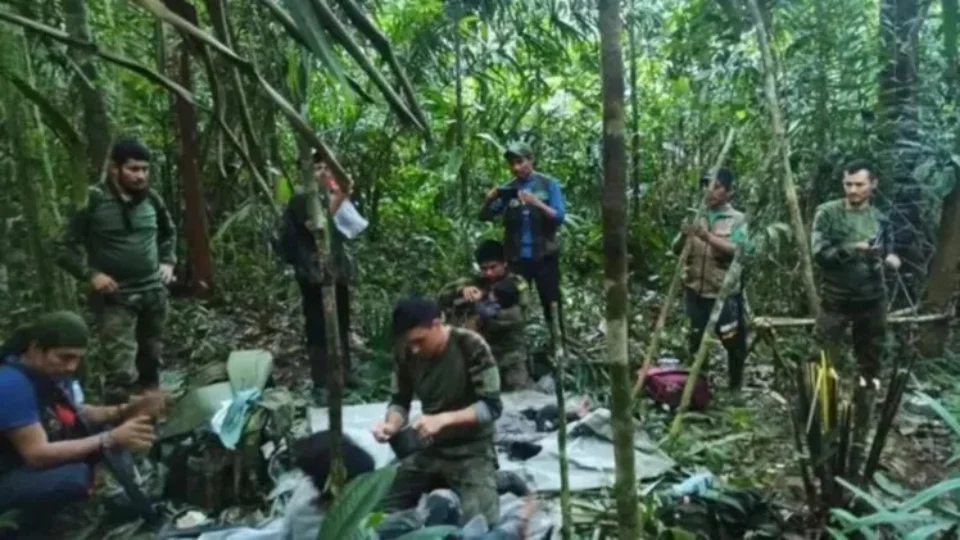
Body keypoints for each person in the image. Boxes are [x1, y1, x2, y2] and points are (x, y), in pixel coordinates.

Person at [0, 311, 165, 530]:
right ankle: (21, 522)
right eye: (65, 357)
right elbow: (36, 454)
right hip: (10, 471)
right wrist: (109, 438)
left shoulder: (51, 373)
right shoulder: (10, 385)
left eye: (77, 358)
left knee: (106, 437)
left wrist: (125, 410)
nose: (71, 366)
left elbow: (74, 413)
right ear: (36, 349)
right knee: (75, 477)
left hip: (29, 457)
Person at [56, 137, 176, 403]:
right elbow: (63, 247)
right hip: (116, 297)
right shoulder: (93, 202)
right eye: (133, 169)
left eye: (145, 169)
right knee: (121, 371)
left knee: (152, 360)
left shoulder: (152, 200)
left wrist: (168, 261)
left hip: (153, 293)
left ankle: (151, 422)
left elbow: (168, 234)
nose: (140, 176)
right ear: (114, 168)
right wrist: (91, 275)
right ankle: (119, 430)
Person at [371, 297, 502, 526]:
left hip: (471, 450)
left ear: (436, 324)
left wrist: (444, 419)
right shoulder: (407, 352)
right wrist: (391, 425)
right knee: (375, 510)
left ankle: (499, 480)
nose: (415, 348)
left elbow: (491, 406)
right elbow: (400, 400)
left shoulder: (470, 345)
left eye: (419, 341)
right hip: (428, 448)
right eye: (409, 342)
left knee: (481, 522)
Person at [278, 151, 360, 404]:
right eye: (318, 168)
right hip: (313, 274)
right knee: (318, 326)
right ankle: (322, 382)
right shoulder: (303, 198)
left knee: (342, 322)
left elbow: (348, 229)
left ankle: (344, 373)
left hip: (336, 271)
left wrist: (344, 195)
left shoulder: (332, 194)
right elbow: (318, 224)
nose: (324, 172)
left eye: (327, 167)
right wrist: (339, 196)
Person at [811, 160, 900, 382]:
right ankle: (818, 411)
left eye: (859, 184)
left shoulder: (881, 219)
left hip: (872, 299)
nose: (853, 190)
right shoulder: (828, 213)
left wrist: (891, 260)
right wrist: (854, 248)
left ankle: (864, 410)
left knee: (871, 364)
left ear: (873, 185)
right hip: (836, 299)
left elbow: (890, 252)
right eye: (848, 184)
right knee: (820, 360)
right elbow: (820, 254)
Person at [672, 168, 750, 390]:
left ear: (729, 191)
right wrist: (684, 236)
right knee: (695, 342)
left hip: (723, 293)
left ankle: (735, 388)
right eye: (707, 185)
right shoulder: (696, 216)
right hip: (694, 291)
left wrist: (707, 237)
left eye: (717, 187)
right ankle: (699, 389)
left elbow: (739, 251)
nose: (710, 191)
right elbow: (677, 250)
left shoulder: (737, 219)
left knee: (732, 342)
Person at [479, 142, 566, 336]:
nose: (516, 167)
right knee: (512, 302)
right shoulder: (508, 189)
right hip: (517, 261)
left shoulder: (547, 184)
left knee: (551, 302)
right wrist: (489, 199)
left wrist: (537, 203)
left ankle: (559, 345)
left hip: (545, 258)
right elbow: (485, 216)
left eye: (520, 162)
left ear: (530, 160)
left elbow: (559, 216)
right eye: (512, 163)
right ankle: (515, 346)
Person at [438, 240, 532, 391]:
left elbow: (518, 317)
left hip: (510, 355)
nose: (488, 273)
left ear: (504, 263)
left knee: (519, 396)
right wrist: (462, 290)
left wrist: (488, 313)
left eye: (493, 267)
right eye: (484, 268)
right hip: (480, 356)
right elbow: (442, 295)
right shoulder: (475, 281)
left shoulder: (517, 283)